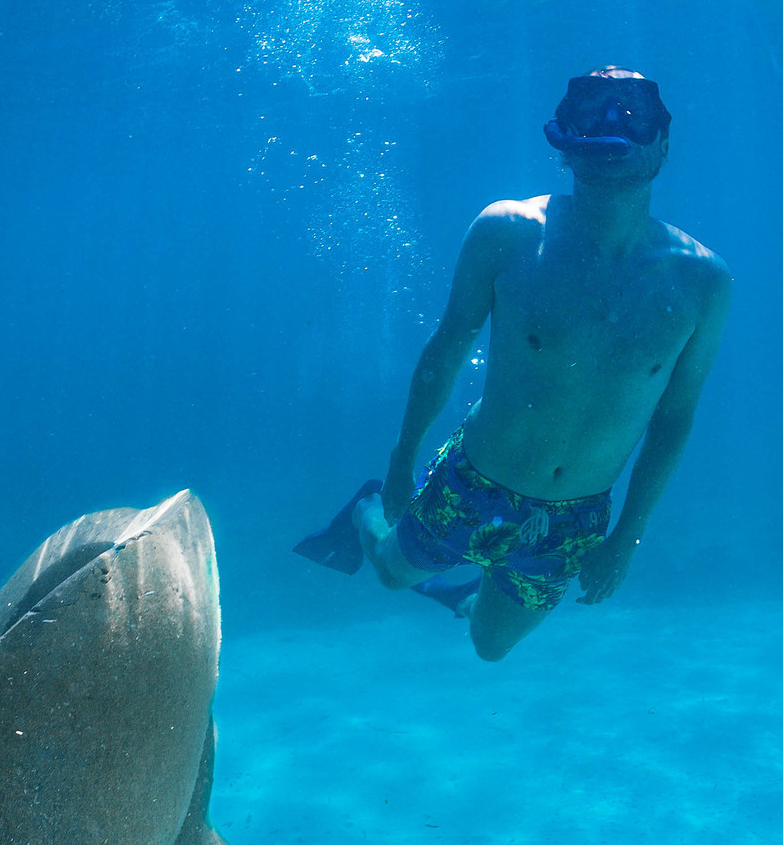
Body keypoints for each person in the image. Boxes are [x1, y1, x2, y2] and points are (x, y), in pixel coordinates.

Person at [295, 68, 731, 664]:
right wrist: (400, 466)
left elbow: (675, 417)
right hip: (474, 481)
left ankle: (471, 590)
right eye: (591, 112)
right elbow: (446, 348)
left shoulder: (701, 281)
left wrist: (627, 535)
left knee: (490, 646)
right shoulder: (508, 231)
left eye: (633, 114)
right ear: (565, 136)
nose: (611, 128)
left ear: (663, 142)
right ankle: (366, 507)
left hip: (576, 516)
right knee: (393, 572)